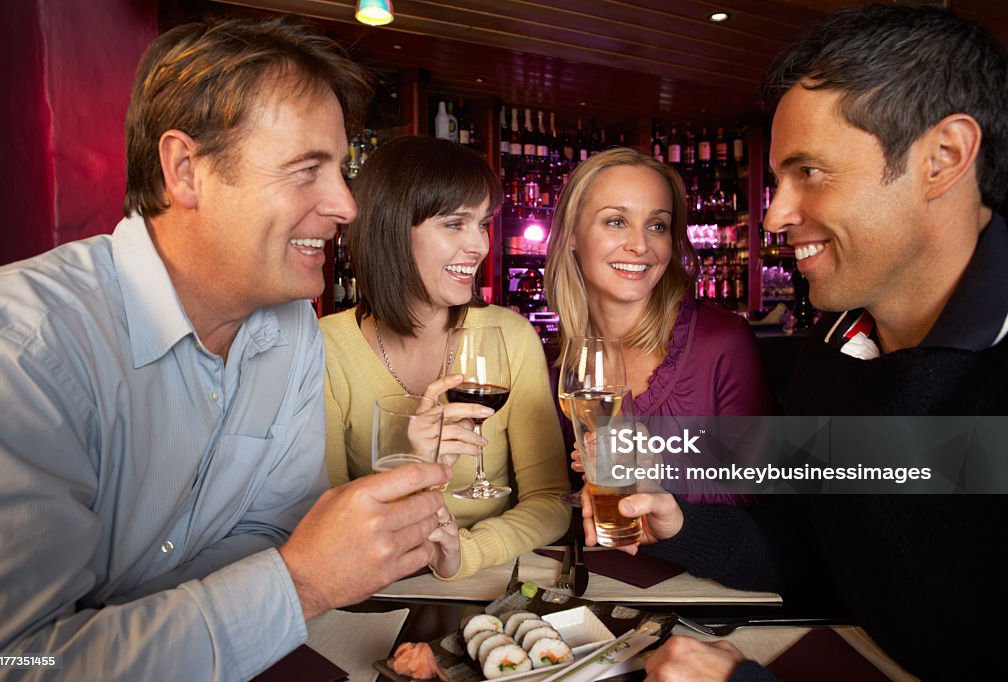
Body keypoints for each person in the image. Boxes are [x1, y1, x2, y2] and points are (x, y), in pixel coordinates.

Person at [0, 17, 455, 680]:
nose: (347, 204)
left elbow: (269, 534)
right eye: (306, 170)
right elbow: (11, 661)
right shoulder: (18, 348)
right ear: (185, 171)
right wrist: (300, 584)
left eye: (341, 170)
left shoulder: (292, 329)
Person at [580, 5, 1007, 681]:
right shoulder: (835, 348)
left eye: (809, 171)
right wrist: (680, 525)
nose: (774, 215)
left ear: (943, 158)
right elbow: (812, 551)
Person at [319, 135, 571, 579]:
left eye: (482, 224)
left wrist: (463, 552)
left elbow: (551, 502)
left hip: (490, 576)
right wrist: (414, 469)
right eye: (455, 224)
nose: (479, 245)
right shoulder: (325, 348)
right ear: (393, 229)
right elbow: (324, 522)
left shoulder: (511, 337)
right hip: (374, 583)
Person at [545, 148, 772, 504]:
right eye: (616, 221)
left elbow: (760, 498)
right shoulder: (556, 363)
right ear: (572, 234)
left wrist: (655, 475)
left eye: (657, 225)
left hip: (699, 560)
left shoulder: (721, 341)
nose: (640, 245)